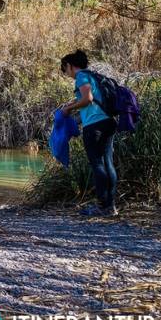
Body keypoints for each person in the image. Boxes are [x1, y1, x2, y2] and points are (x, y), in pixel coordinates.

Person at [60, 50, 118, 217]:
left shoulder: (81, 77)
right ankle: (110, 206)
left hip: (95, 125)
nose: (66, 73)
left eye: (65, 69)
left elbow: (88, 98)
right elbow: (88, 98)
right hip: (108, 121)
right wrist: (73, 103)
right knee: (107, 162)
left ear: (70, 66)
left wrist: (69, 109)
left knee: (97, 164)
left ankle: (102, 206)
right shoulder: (92, 75)